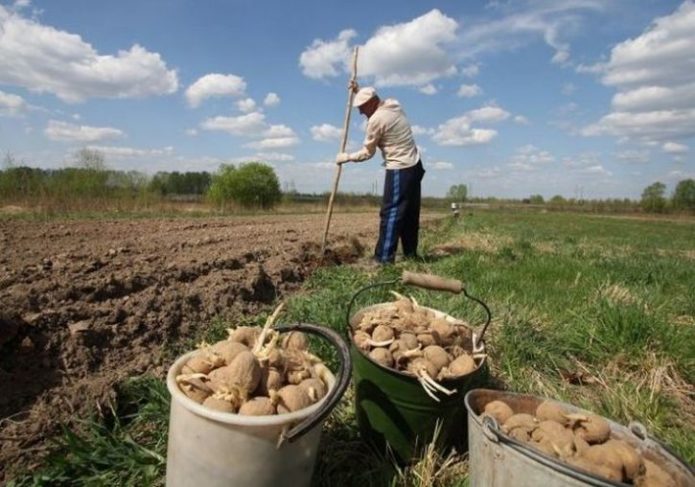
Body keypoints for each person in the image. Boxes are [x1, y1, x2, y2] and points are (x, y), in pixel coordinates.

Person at [336, 83, 425, 264]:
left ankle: (383, 259)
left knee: (391, 213)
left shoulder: (376, 121)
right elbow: (376, 98)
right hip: (415, 165)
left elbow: (367, 153)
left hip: (400, 168)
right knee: (409, 213)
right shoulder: (394, 104)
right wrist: (358, 90)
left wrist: (346, 157)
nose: (361, 113)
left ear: (371, 103)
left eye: (362, 108)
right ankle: (410, 255)